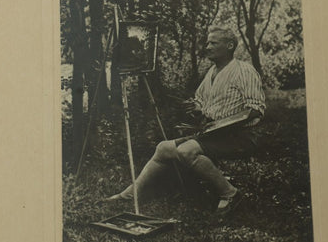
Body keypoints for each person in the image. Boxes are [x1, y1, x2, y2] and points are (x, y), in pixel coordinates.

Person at [108, 26, 266, 216]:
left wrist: (220, 124)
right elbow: (200, 100)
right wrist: (197, 108)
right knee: (163, 148)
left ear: (229, 46)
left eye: (213, 43)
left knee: (186, 150)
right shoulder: (212, 72)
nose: (207, 46)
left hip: (242, 135)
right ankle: (130, 194)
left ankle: (230, 193)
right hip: (215, 133)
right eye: (208, 42)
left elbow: (255, 110)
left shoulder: (244, 71)